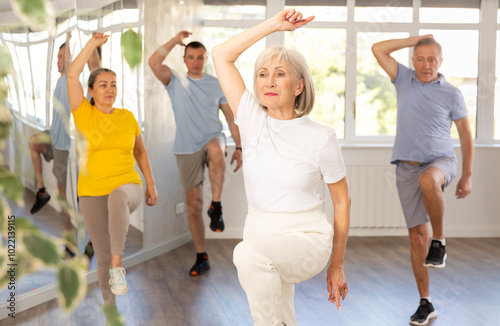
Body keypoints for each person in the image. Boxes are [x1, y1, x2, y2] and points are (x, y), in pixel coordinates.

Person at [213, 9, 350, 326]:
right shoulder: (250, 119)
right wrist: (275, 25)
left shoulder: (321, 138)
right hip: (260, 233)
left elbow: (342, 201)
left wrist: (337, 265)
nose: (269, 81)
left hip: (307, 237)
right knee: (279, 307)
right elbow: (221, 55)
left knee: (246, 255)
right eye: (262, 74)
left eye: (279, 74)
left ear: (299, 86)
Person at [372, 35, 473, 325]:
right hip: (405, 167)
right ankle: (425, 303)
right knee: (417, 238)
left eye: (432, 59)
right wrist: (413, 40)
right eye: (420, 58)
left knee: (429, 181)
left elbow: (466, 136)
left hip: (441, 162)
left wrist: (466, 175)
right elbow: (377, 49)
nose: (426, 64)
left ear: (440, 62)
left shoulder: (452, 93)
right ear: (412, 60)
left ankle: (439, 241)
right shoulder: (403, 79)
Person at [67, 33, 158, 304]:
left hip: (127, 185)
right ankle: (111, 312)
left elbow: (140, 151)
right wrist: (91, 46)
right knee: (101, 255)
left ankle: (119, 267)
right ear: (91, 91)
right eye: (103, 84)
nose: (110, 89)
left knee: (118, 197)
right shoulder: (83, 114)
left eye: (114, 85)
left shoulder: (127, 117)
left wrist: (150, 183)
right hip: (92, 192)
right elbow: (72, 77)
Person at [148, 31, 243, 276]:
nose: (196, 61)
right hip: (185, 147)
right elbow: (153, 63)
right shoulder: (174, 81)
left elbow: (231, 119)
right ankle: (202, 256)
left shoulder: (216, 83)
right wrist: (173, 39)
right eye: (191, 57)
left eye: (200, 57)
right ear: (184, 59)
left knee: (216, 149)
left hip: (213, 136)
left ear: (205, 60)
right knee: (193, 206)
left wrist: (240, 147)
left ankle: (217, 206)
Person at [28, 32, 74, 256]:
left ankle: (70, 242)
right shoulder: (59, 80)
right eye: (57, 57)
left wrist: (70, 40)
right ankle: (41, 191)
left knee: (64, 196)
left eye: (61, 57)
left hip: (63, 144)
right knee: (33, 142)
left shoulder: (69, 80)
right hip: (52, 135)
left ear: (70, 59)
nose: (58, 61)